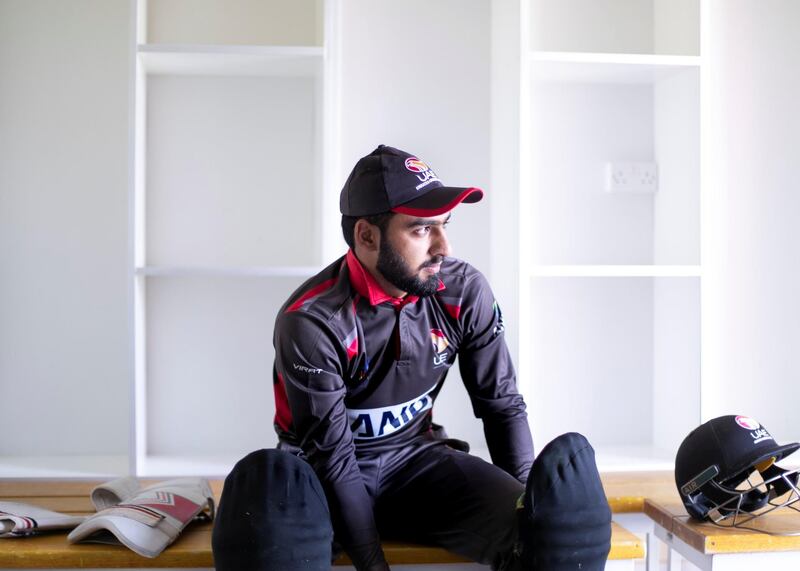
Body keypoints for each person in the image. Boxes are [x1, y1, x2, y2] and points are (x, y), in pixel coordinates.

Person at [212, 145, 611, 571]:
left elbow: (502, 405)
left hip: (416, 462)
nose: (444, 246)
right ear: (367, 236)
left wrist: (529, 503)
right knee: (265, 517)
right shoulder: (313, 321)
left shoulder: (462, 291)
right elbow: (334, 457)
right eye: (422, 230)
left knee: (554, 527)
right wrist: (373, 565)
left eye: (444, 225)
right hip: (319, 476)